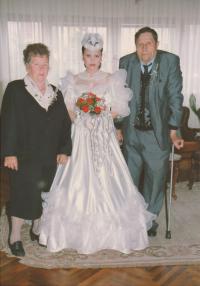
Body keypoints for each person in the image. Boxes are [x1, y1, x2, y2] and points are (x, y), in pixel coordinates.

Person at [39, 33, 156, 254]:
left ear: (101, 57)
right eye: (88, 55)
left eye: (96, 55)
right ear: (83, 57)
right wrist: (83, 117)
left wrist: (100, 115)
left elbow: (119, 109)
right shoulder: (73, 80)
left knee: (109, 179)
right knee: (76, 181)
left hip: (104, 137)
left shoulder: (111, 79)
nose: (92, 59)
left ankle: (115, 235)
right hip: (81, 137)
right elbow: (69, 111)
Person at [1, 43, 72, 256]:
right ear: (27, 65)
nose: (42, 70)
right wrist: (9, 153)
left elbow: (64, 124)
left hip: (49, 155)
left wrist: (64, 149)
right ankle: (14, 236)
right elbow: (8, 122)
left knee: (45, 193)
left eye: (45, 65)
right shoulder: (15, 89)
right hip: (23, 156)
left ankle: (36, 229)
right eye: (36, 64)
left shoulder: (56, 93)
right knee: (23, 194)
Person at [119, 26, 184, 236]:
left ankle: (150, 219)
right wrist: (118, 127)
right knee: (130, 178)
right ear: (135, 46)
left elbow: (175, 97)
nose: (144, 48)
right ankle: (132, 218)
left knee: (155, 179)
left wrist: (174, 129)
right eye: (140, 44)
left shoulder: (169, 62)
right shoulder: (126, 62)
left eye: (149, 43)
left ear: (156, 45)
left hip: (157, 134)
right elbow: (119, 97)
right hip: (132, 133)